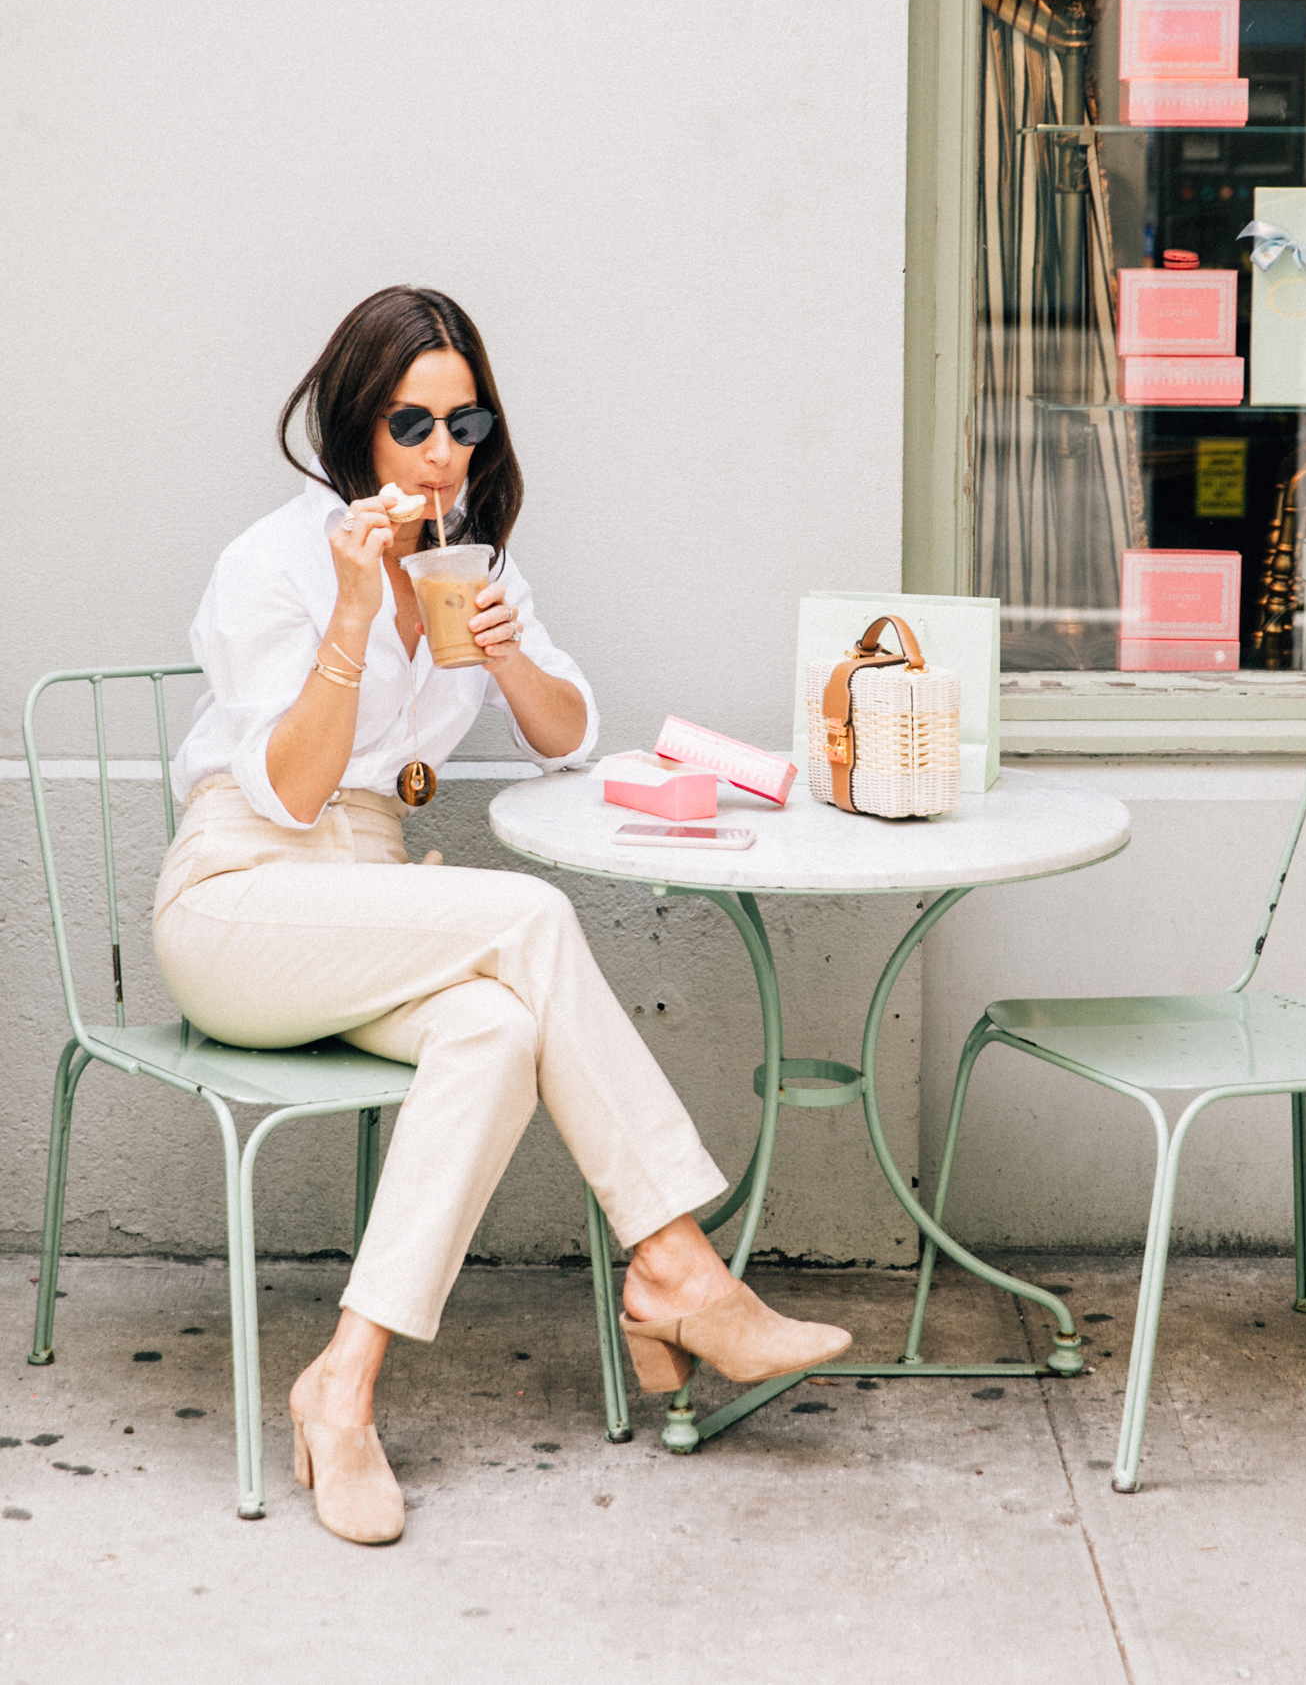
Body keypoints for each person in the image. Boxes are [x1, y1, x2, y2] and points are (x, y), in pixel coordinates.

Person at [153, 285, 849, 1545]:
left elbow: (569, 732)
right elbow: (295, 787)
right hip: (240, 899)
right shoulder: (274, 561)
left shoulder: (472, 551)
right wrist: (355, 615)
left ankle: (342, 1386)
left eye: (463, 422)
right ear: (357, 427)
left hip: (362, 906)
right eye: (410, 425)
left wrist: (507, 648)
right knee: (526, 919)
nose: (439, 453)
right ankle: (679, 1269)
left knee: (493, 1033)